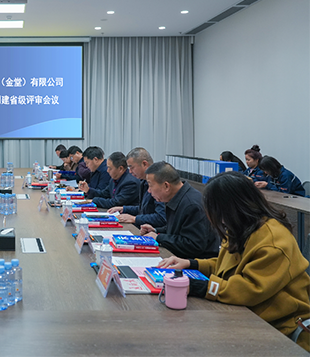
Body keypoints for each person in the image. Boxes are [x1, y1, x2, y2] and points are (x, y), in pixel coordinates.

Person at [158, 171, 310, 351]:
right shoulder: (241, 226)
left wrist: (202, 287)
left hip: (281, 330)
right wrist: (192, 264)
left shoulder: (273, 242)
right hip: (249, 316)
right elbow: (227, 265)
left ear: (231, 207)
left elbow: (249, 290)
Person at [140, 161, 219, 259]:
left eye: (150, 185)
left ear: (166, 186)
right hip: (178, 257)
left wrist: (158, 237)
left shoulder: (192, 205)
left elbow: (193, 245)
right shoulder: (176, 197)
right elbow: (177, 230)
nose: (149, 190)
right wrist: (155, 230)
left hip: (195, 263)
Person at [109, 147, 166, 228]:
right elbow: (144, 209)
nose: (130, 171)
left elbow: (161, 218)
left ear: (144, 164)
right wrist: (124, 209)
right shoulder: (143, 181)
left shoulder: (158, 182)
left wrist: (134, 219)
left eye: (132, 167)